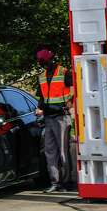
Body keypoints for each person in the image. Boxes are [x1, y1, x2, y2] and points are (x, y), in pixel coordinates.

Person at [35, 47, 74, 193]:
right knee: (50, 151)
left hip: (62, 117)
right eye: (41, 63)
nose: (44, 65)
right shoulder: (42, 76)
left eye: (45, 62)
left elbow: (75, 89)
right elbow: (41, 97)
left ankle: (66, 182)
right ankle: (55, 182)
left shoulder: (64, 72)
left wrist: (71, 104)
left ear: (51, 59)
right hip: (48, 118)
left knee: (63, 151)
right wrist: (39, 108)